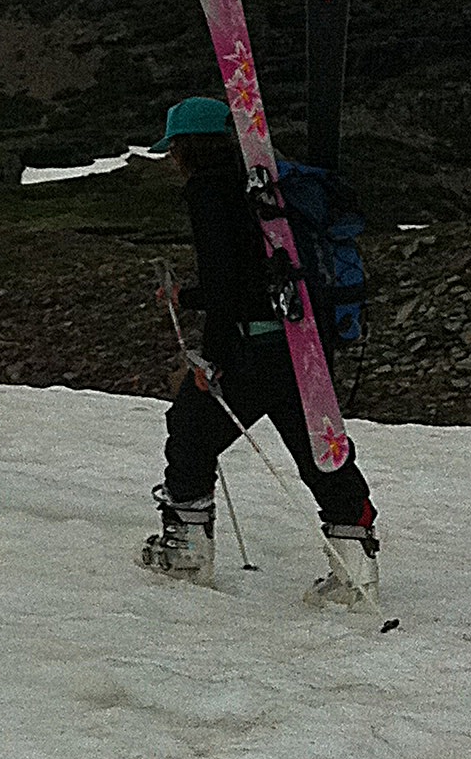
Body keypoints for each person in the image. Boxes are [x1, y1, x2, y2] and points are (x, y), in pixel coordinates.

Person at [144, 96, 379, 604]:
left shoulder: (209, 191)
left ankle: (186, 549)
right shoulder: (263, 185)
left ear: (185, 147)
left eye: (174, 148)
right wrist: (188, 296)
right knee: (320, 451)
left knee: (190, 430)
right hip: (303, 343)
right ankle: (355, 569)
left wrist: (211, 358)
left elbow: (229, 288)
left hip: (252, 349)